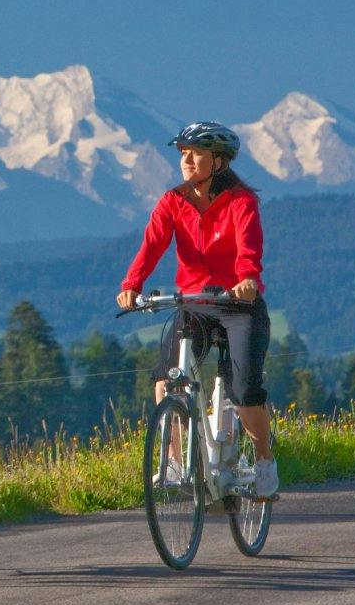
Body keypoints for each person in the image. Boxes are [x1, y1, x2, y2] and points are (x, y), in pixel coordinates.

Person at [115, 121, 278, 498]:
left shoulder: (240, 201)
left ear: (217, 161)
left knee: (244, 390)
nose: (186, 161)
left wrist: (248, 279)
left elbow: (248, 248)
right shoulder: (173, 202)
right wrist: (131, 286)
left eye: (196, 154)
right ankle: (175, 461)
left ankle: (265, 461)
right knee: (166, 380)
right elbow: (151, 245)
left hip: (238, 305)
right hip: (195, 305)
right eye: (183, 154)